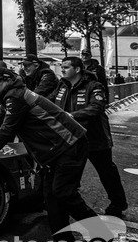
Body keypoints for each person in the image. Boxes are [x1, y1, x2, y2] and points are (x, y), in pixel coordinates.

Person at [0, 66, 98, 242]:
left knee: (63, 192)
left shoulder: (16, 96)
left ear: (8, 80)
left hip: (70, 144)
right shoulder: (13, 95)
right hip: (56, 149)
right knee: (51, 197)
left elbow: (7, 129)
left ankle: (99, 231)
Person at [52, 56, 128, 217]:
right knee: (67, 177)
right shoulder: (61, 86)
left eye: (66, 67)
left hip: (95, 139)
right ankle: (67, 204)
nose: (62, 69)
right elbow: (49, 102)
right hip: (71, 139)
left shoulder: (94, 86)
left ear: (77, 69)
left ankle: (118, 203)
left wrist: (71, 116)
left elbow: (96, 108)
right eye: (62, 66)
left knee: (107, 172)